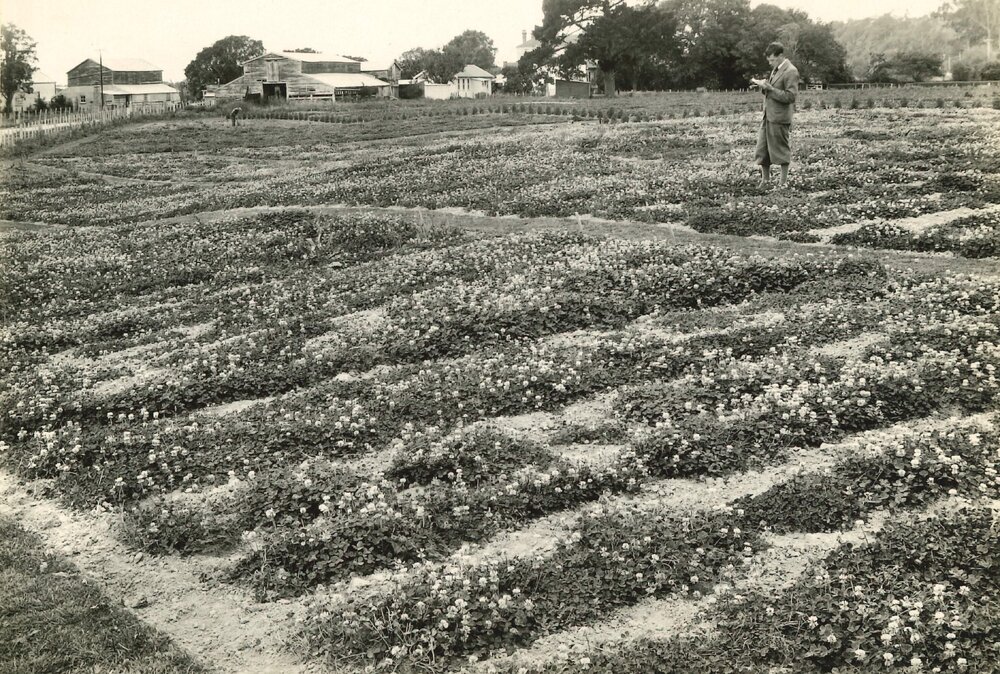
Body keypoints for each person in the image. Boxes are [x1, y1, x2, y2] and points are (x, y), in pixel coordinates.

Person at [750, 42, 799, 188]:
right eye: (769, 60)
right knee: (763, 149)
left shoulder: (791, 71)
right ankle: (765, 180)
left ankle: (782, 183)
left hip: (779, 117)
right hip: (768, 116)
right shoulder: (776, 70)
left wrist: (770, 89)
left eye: (772, 60)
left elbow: (790, 97)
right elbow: (772, 91)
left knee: (781, 150)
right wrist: (763, 87)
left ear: (781, 56)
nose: (770, 63)